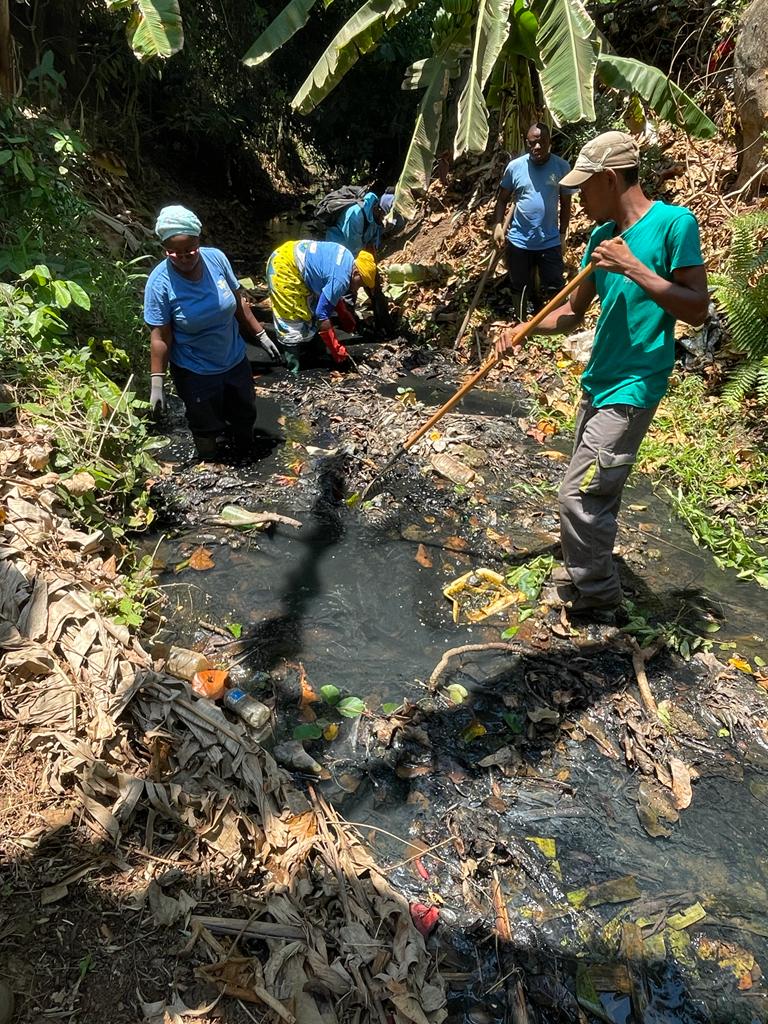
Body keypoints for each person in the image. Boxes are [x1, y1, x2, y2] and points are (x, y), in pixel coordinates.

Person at [495, 131, 708, 622]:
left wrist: (635, 268)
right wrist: (522, 330)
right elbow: (571, 312)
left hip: (634, 385)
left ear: (610, 179)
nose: (575, 198)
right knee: (594, 487)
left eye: (583, 188)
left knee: (579, 493)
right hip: (599, 380)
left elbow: (696, 309)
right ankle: (577, 572)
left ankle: (600, 595)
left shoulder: (674, 224)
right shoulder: (599, 238)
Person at [144, 205, 281, 459]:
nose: (184, 257)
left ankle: (248, 458)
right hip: (195, 369)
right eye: (174, 253)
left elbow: (238, 301)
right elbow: (160, 336)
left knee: (244, 414)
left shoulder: (216, 258)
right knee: (205, 424)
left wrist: (260, 334)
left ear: (199, 241)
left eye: (190, 251)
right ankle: (208, 463)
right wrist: (157, 381)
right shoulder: (159, 282)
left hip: (234, 359)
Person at [493, 123, 572, 321]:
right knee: (519, 285)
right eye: (532, 144)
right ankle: (521, 324)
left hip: (550, 239)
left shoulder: (561, 167)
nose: (537, 148)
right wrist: (497, 226)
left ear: (549, 143)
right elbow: (502, 199)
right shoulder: (515, 167)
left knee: (554, 285)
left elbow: (566, 203)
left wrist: (563, 234)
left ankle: (557, 325)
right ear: (527, 144)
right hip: (519, 240)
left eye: (541, 143)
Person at [266, 240, 377, 375]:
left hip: (291, 253)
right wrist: (335, 348)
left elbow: (330, 291)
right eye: (361, 284)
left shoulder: (348, 258)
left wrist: (343, 313)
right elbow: (321, 314)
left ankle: (308, 348)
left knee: (310, 308)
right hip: (283, 267)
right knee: (291, 318)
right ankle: (293, 367)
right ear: (356, 274)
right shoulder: (341, 279)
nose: (358, 288)